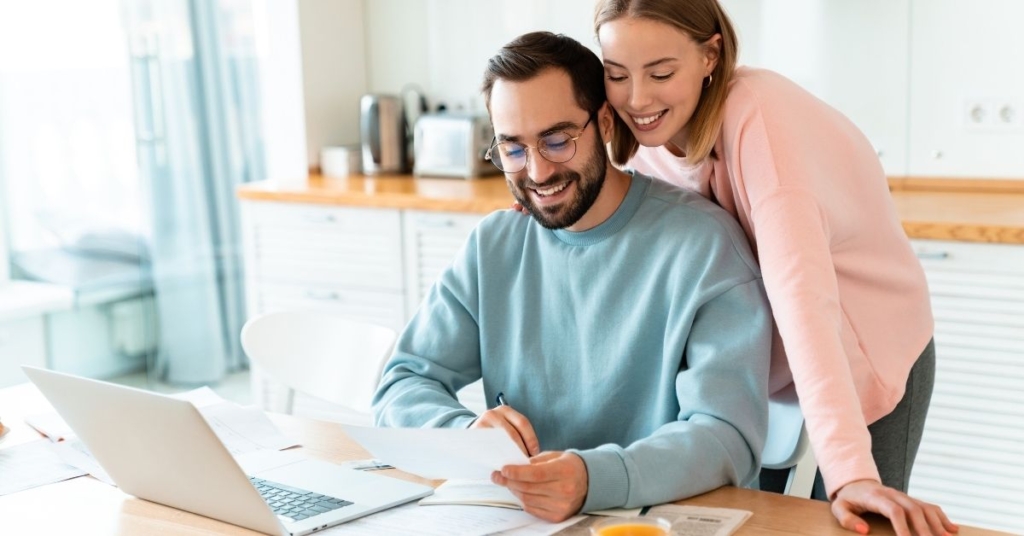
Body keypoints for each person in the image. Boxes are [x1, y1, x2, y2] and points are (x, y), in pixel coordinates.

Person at [373, 31, 773, 523]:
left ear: (604, 121)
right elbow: (402, 382)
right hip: (523, 520)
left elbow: (728, 436)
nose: (538, 172)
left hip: (655, 521)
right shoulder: (495, 244)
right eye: (513, 149)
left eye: (557, 140)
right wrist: (465, 433)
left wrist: (594, 479)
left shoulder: (703, 246)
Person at [590, 1, 958, 535]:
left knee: (853, 521)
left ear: (710, 54)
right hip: (761, 367)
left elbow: (800, 295)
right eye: (616, 74)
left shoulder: (760, 119)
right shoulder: (643, 149)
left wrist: (851, 472)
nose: (637, 98)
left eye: (661, 72)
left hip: (860, 346)